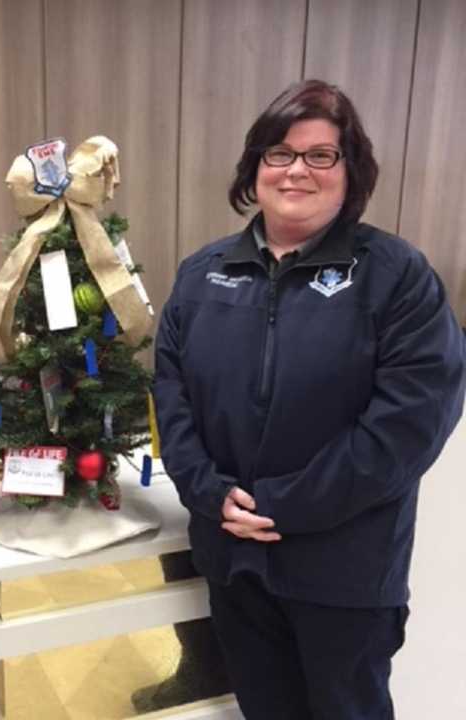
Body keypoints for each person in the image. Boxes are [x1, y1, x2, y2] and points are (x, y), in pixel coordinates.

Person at [153, 79, 465, 720]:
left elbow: (409, 424)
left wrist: (281, 506)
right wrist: (209, 493)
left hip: (343, 571)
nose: (296, 169)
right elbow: (172, 394)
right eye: (279, 152)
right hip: (233, 557)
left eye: (321, 155)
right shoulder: (202, 273)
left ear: (351, 171)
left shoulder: (396, 275)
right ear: (255, 167)